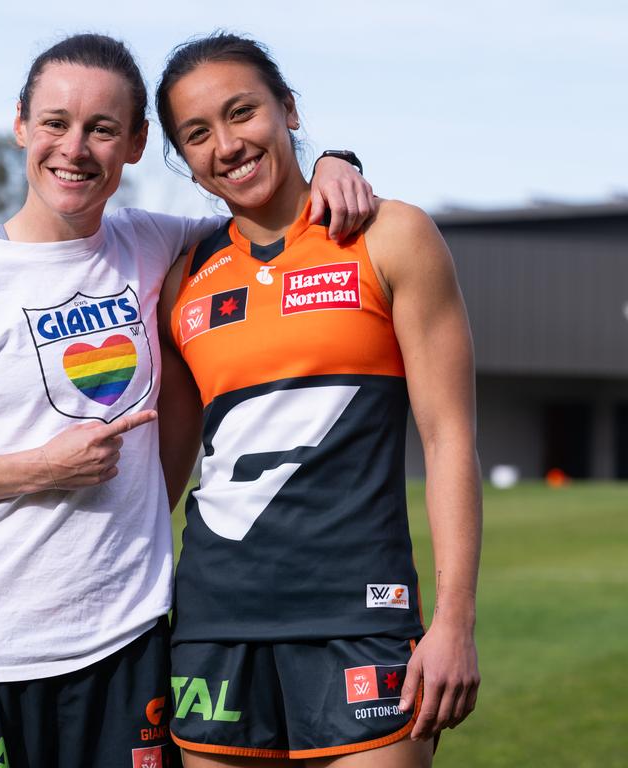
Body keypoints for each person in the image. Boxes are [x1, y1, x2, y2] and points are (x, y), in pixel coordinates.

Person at [0, 33, 372, 768]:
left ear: (135, 144)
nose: (74, 148)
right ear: (20, 126)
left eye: (102, 128)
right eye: (55, 123)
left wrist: (334, 159)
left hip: (128, 647)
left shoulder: (154, 244)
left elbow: (268, 207)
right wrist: (40, 467)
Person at [154, 34, 482, 767]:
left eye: (243, 113)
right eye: (198, 134)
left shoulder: (392, 237)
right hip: (214, 624)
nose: (228, 145)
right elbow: (161, 477)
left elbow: (450, 436)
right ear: (183, 157)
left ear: (289, 109)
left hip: (362, 619)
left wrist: (454, 620)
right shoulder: (183, 281)